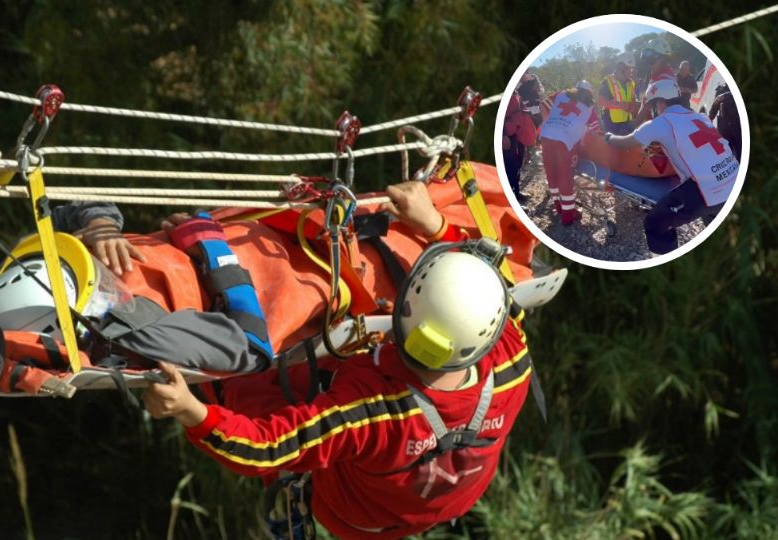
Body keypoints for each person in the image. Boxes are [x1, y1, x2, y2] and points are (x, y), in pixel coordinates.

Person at [143, 181, 535, 539]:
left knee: (242, 385)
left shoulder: (369, 409)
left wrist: (190, 409)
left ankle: (216, 268)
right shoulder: (511, 360)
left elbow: (266, 447)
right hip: (443, 501)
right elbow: (503, 292)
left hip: (353, 517)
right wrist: (434, 224)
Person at [605, 79, 739, 254]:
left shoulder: (660, 123)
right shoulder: (699, 116)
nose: (655, 110)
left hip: (706, 188)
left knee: (654, 223)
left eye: (654, 105)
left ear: (660, 102)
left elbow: (624, 143)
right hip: (734, 178)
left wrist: (608, 137)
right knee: (713, 216)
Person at [538, 80, 600, 225]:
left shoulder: (561, 94)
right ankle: (568, 217)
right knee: (565, 178)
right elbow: (594, 131)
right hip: (565, 142)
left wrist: (550, 123)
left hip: (546, 136)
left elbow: (542, 105)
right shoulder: (589, 106)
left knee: (551, 173)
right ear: (589, 93)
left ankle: (558, 207)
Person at [502, 91, 537, 203]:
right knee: (509, 166)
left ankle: (515, 192)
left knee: (517, 164)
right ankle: (510, 196)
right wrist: (503, 135)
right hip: (508, 135)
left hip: (518, 133)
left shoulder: (515, 92)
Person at [635, 37, 676, 124]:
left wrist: (629, 127)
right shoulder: (656, 76)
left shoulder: (665, 81)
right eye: (647, 61)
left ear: (663, 60)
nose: (649, 65)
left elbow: (646, 108)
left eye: (651, 61)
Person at [598, 52, 640, 135]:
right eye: (629, 68)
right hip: (612, 123)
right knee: (614, 147)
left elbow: (632, 99)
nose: (631, 71)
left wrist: (636, 105)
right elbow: (601, 101)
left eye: (632, 69)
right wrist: (620, 105)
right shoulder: (608, 81)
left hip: (627, 121)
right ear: (621, 67)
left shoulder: (631, 83)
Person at [709, 83, 741, 159]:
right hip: (724, 126)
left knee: (740, 150)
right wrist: (710, 119)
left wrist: (725, 96)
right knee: (726, 151)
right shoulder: (720, 90)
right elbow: (714, 107)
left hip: (737, 126)